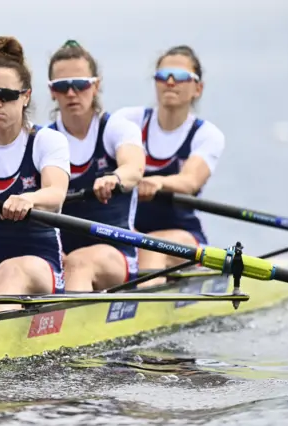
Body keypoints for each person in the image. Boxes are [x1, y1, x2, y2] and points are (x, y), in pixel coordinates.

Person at [0, 36, 71, 314]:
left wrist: (29, 199)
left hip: (39, 263)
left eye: (7, 95)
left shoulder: (47, 141)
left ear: (25, 96)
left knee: (10, 270)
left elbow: (55, 194)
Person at [115, 45, 226, 284]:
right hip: (130, 231)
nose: (171, 82)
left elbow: (190, 181)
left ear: (198, 88)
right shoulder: (129, 120)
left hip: (182, 236)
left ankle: (137, 314)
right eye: (163, 76)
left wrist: (158, 182)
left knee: (152, 247)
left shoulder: (206, 134)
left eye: (181, 77)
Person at [46, 40, 146, 292]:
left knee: (78, 264)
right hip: (59, 254)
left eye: (80, 84)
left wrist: (115, 177)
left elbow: (134, 167)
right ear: (51, 91)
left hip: (116, 253)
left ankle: (65, 327)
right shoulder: (44, 141)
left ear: (96, 85)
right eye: (62, 86)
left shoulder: (116, 129)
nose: (71, 93)